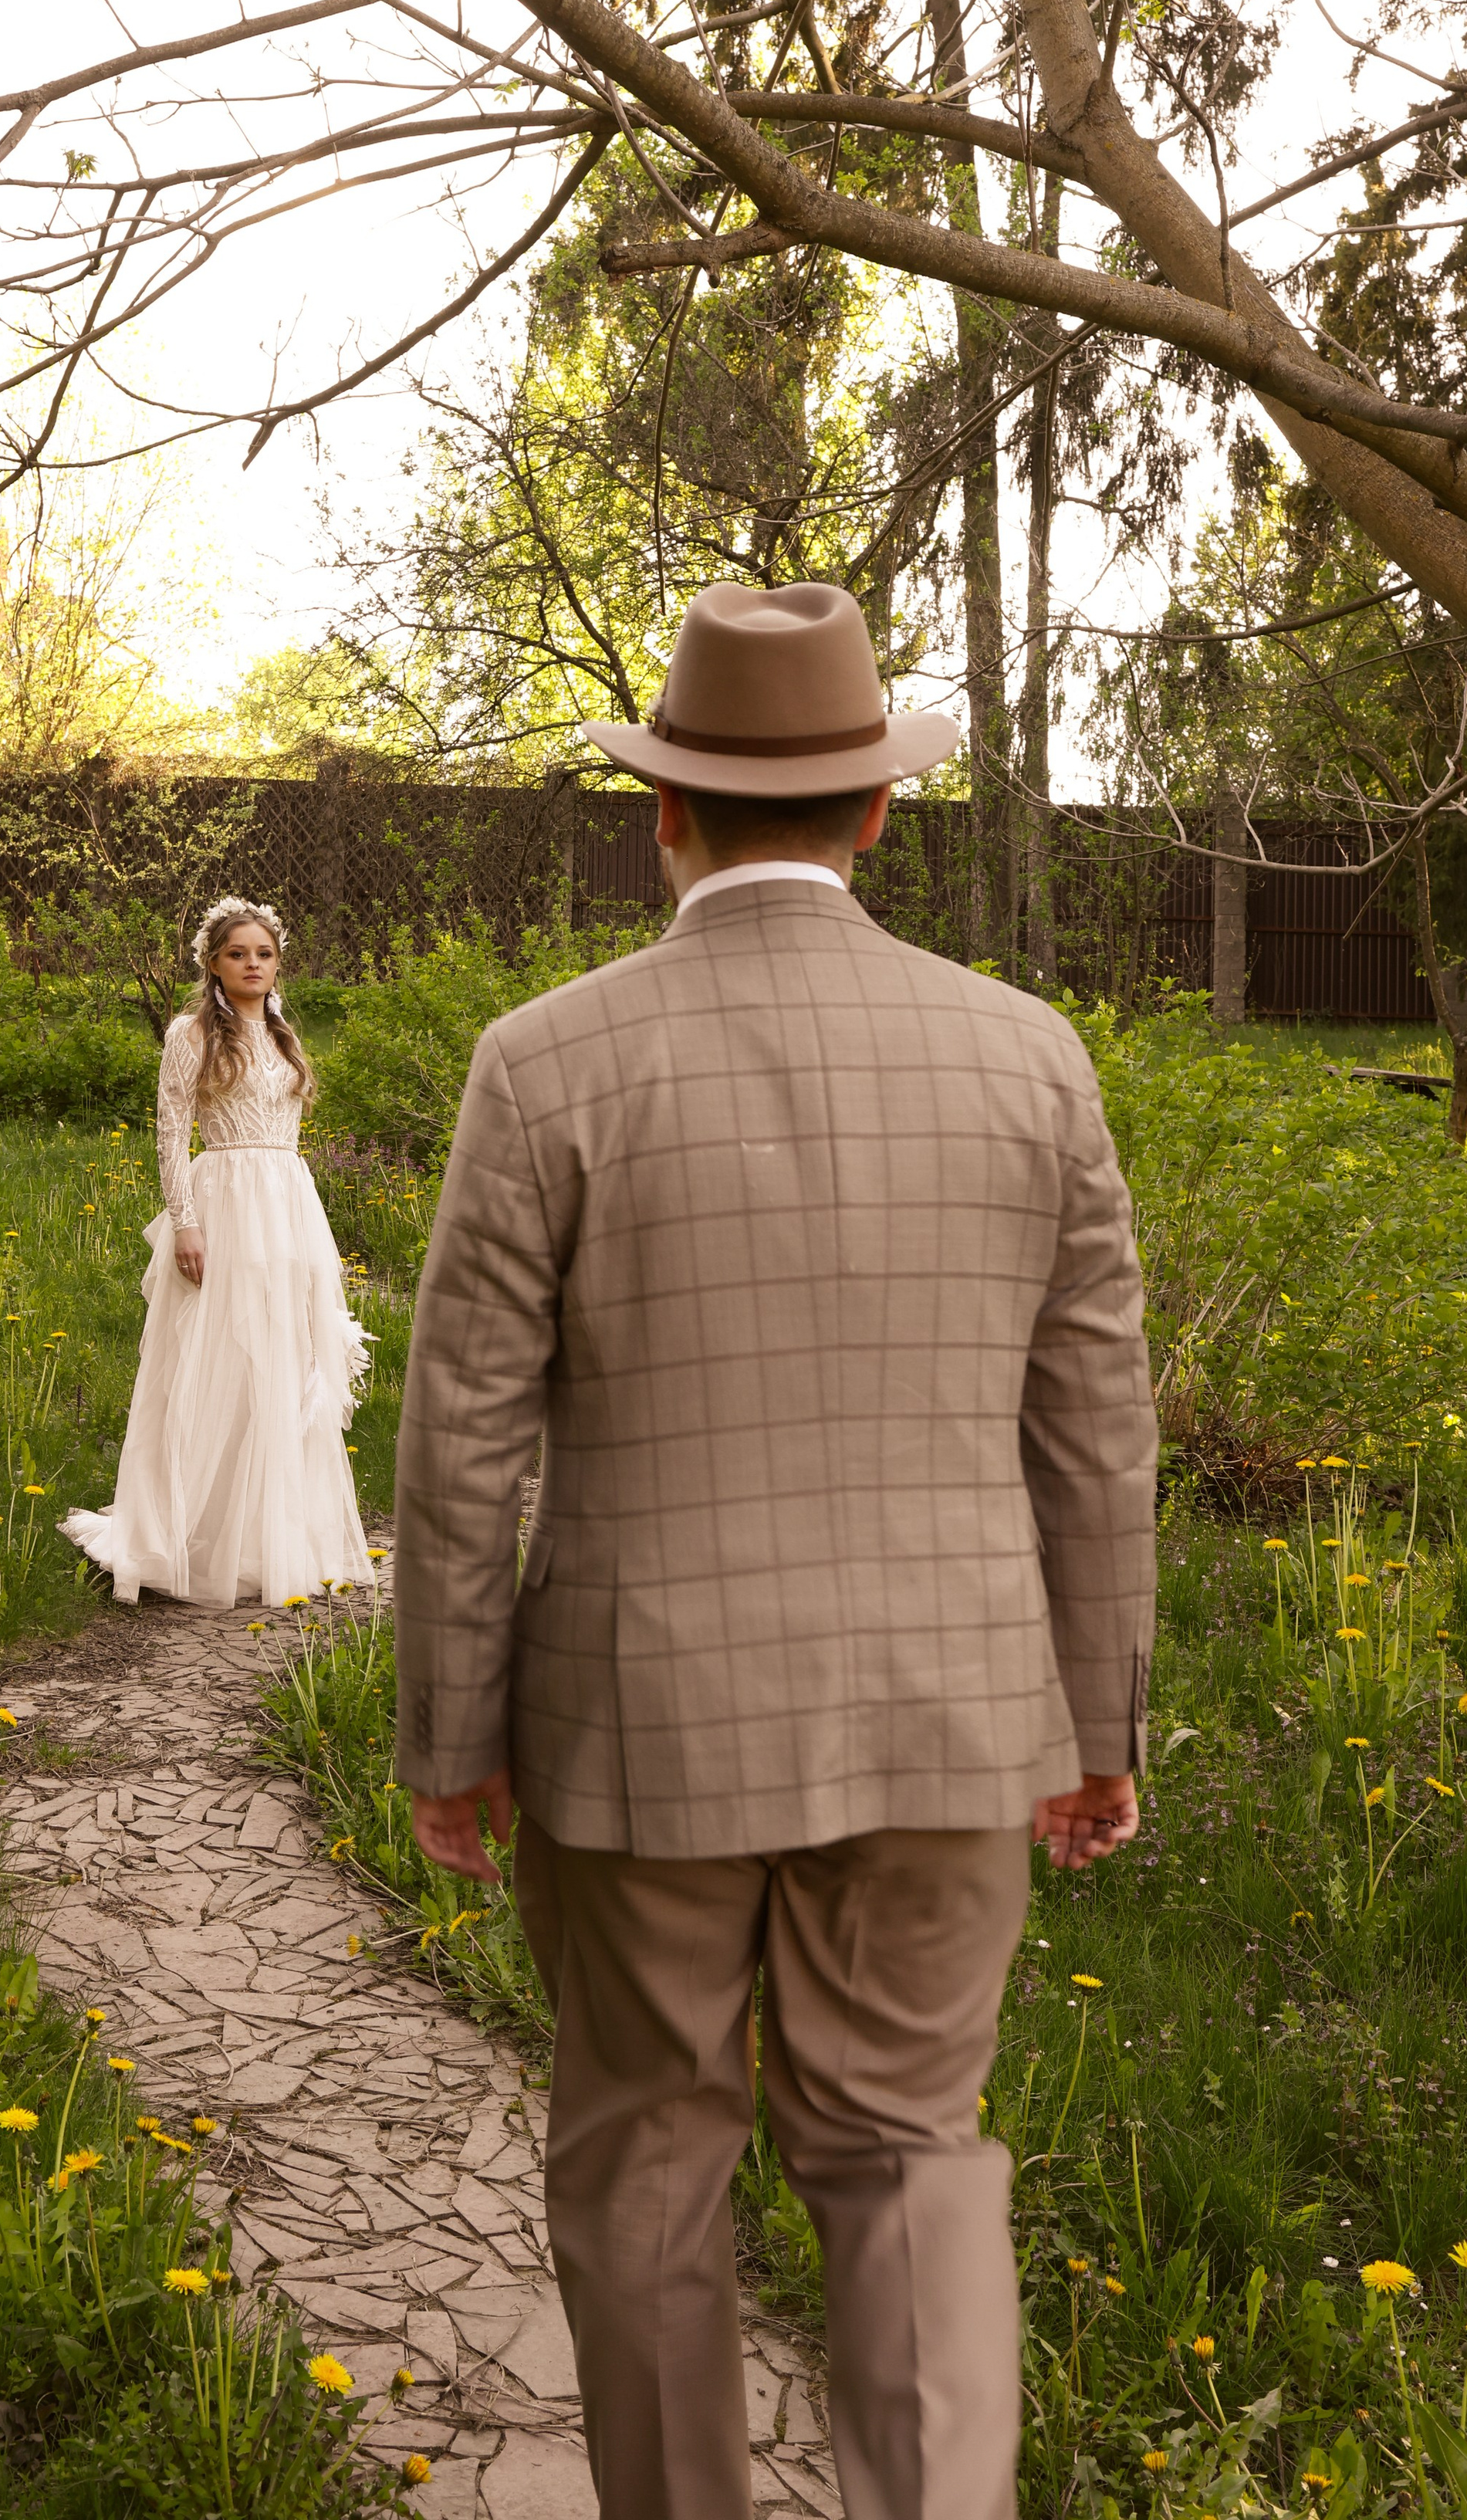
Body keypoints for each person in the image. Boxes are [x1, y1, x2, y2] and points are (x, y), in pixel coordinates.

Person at [391, 582, 1157, 2520]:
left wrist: (447, 1736)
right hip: (950, 1720)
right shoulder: (1026, 1056)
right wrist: (1096, 1723)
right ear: (875, 811)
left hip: (636, 1731)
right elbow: (1092, 1427)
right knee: (906, 2153)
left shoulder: (542, 1062)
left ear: (662, 809)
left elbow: (462, 1433)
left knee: (645, 2159)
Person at [61, 895, 373, 1608]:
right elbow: (171, 1132)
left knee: (282, 1357)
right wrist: (186, 1222)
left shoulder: (283, 1033)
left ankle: (269, 1533)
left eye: (264, 954)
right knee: (216, 1354)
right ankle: (188, 1531)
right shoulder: (192, 1033)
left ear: (278, 963)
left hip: (287, 1202)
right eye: (238, 954)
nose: (252, 965)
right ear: (213, 963)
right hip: (225, 1199)